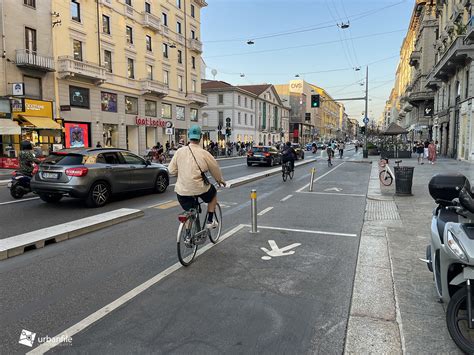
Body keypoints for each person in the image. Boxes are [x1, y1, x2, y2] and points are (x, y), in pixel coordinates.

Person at [168, 125, 226, 229]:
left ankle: (188, 235)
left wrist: (182, 173)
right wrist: (220, 180)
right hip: (199, 188)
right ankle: (210, 221)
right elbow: (214, 168)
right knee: (213, 193)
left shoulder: (179, 151)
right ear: (200, 137)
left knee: (189, 211)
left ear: (189, 136)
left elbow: (171, 170)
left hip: (182, 191)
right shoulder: (204, 153)